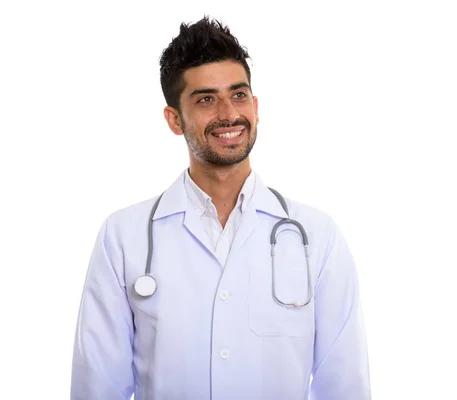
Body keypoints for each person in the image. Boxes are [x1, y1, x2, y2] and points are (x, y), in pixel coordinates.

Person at [70, 16, 371, 400]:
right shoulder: (123, 237)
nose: (229, 114)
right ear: (174, 120)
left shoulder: (317, 235)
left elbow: (344, 384)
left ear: (256, 106)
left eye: (239, 94)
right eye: (206, 99)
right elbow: (98, 386)